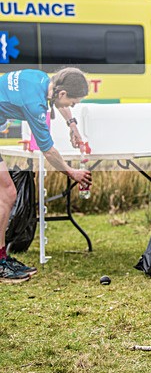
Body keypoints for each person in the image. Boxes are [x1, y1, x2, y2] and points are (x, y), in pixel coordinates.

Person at [0, 68, 92, 283]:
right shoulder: (35, 105)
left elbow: (57, 101)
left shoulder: (42, 79)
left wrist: (72, 125)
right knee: (7, 194)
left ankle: (2, 257)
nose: (71, 107)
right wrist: (71, 172)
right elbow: (48, 150)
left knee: (6, 195)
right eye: (72, 103)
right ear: (62, 94)